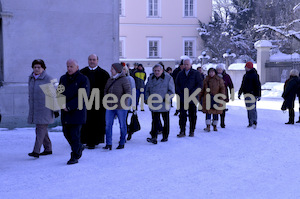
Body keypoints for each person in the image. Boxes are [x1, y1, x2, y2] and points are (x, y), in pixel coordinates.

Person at [59, 59, 90, 165]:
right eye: (67, 66)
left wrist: (70, 106)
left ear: (77, 67)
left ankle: (75, 155)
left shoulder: (83, 79)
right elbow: (59, 93)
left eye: (71, 66)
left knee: (74, 135)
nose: (69, 68)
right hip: (65, 112)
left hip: (77, 112)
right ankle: (79, 147)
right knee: (66, 133)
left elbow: (83, 95)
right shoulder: (63, 78)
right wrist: (61, 104)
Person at [28, 59, 59, 158]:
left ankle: (36, 151)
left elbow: (54, 95)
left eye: (39, 67)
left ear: (43, 68)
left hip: (45, 109)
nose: (36, 69)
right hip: (35, 109)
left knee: (40, 130)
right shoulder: (31, 78)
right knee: (42, 130)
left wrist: (56, 109)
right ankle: (48, 148)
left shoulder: (48, 79)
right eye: (35, 67)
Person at [80, 54, 110, 149]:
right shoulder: (82, 72)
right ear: (88, 60)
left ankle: (96, 140)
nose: (92, 61)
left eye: (94, 59)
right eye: (90, 59)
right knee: (86, 122)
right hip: (86, 102)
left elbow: (107, 89)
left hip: (99, 103)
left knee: (97, 122)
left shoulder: (104, 74)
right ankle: (86, 140)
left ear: (97, 60)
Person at [103, 63, 131, 150]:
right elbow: (105, 90)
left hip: (121, 107)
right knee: (108, 125)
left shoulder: (124, 80)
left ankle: (122, 142)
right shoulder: (110, 79)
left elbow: (128, 93)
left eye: (112, 69)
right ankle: (108, 144)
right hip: (109, 106)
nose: (111, 70)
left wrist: (120, 102)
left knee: (122, 125)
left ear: (117, 70)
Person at [145, 64, 175, 144]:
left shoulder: (168, 78)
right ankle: (154, 137)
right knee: (154, 120)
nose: (157, 72)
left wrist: (166, 98)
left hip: (164, 102)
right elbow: (147, 89)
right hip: (154, 102)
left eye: (158, 70)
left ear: (162, 70)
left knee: (165, 120)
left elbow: (172, 91)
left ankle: (165, 136)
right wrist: (147, 98)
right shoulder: (151, 78)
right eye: (155, 70)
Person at [176, 58, 203, 137]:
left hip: (192, 98)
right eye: (184, 64)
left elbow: (200, 85)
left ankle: (192, 131)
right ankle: (182, 131)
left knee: (192, 115)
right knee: (182, 116)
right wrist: (180, 94)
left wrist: (192, 93)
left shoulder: (196, 73)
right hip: (182, 98)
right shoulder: (180, 74)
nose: (186, 66)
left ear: (191, 65)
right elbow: (177, 85)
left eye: (187, 64)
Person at [199, 68, 225, 132]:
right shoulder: (206, 80)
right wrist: (199, 98)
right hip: (207, 98)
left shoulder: (219, 80)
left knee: (216, 112)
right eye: (210, 72)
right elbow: (202, 89)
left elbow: (222, 89)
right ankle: (208, 126)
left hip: (217, 98)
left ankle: (215, 126)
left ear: (215, 73)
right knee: (208, 112)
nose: (211, 73)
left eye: (212, 72)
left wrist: (221, 98)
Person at [238, 62, 261, 129]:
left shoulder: (255, 75)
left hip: (252, 94)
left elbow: (257, 85)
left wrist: (258, 95)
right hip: (246, 94)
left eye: (246, 67)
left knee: (252, 108)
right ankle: (250, 122)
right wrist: (240, 92)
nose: (245, 68)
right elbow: (243, 85)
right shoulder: (245, 75)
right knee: (248, 108)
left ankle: (254, 121)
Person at [216, 64, 234, 128]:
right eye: (218, 70)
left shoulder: (226, 76)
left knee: (223, 109)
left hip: (224, 94)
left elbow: (230, 85)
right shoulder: (214, 76)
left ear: (222, 70)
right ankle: (215, 122)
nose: (219, 71)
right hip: (215, 94)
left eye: (220, 70)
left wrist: (232, 93)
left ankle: (222, 122)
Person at [122, 65, 136, 141]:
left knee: (124, 120)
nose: (122, 70)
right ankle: (126, 132)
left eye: (124, 69)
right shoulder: (117, 78)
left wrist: (132, 104)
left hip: (126, 102)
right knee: (122, 121)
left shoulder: (130, 79)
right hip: (118, 103)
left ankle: (126, 133)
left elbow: (132, 91)